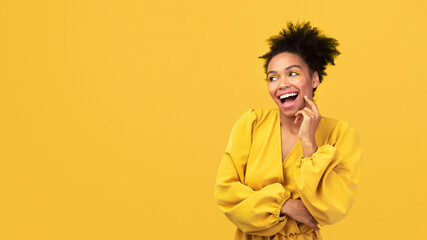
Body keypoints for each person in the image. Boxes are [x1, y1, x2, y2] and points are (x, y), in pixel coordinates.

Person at [214, 21, 362, 240]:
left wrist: (309, 144)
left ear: (314, 78)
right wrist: (284, 204)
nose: (281, 84)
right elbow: (226, 194)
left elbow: (333, 207)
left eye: (292, 73)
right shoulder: (252, 123)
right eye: (273, 77)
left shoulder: (340, 134)